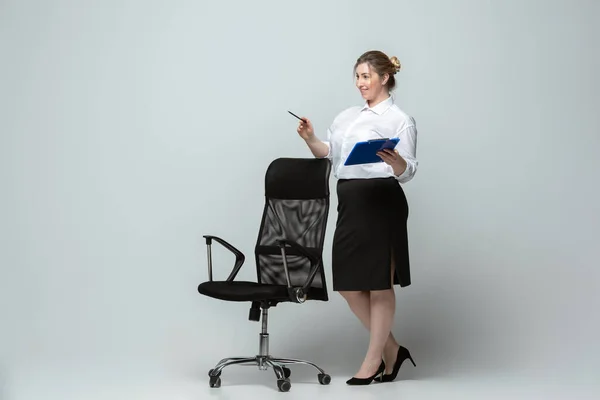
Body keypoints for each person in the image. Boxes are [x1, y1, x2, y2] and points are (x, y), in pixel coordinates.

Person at [295, 50, 418, 385]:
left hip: (382, 202)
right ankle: (393, 349)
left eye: (366, 76)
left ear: (385, 78)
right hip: (350, 204)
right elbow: (329, 154)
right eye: (358, 77)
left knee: (379, 284)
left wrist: (394, 162)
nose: (360, 83)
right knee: (349, 285)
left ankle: (374, 359)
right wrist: (310, 138)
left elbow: (408, 170)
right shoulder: (347, 116)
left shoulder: (400, 120)